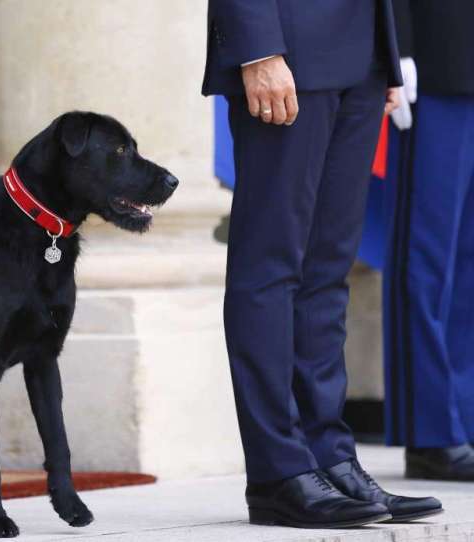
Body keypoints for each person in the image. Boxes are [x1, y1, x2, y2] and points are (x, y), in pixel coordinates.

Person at [201, 0, 442, 528]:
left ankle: (330, 458)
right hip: (285, 48)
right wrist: (257, 46)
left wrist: (388, 52)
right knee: (270, 266)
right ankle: (278, 472)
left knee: (327, 272)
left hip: (362, 53)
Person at [384, 0, 474, 481]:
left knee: (467, 264)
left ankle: (466, 415)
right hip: (436, 63)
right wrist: (399, 46)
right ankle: (432, 430)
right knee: (426, 256)